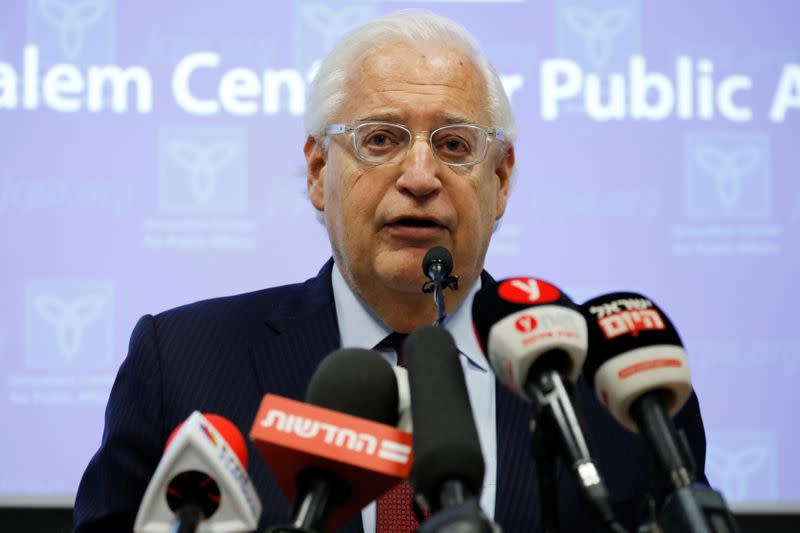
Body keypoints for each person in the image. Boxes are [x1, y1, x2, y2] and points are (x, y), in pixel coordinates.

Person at [73, 9, 707, 533]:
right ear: (320, 173)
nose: (421, 177)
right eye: (381, 139)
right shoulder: (183, 363)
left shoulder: (614, 386)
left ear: (502, 179)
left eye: (455, 145)